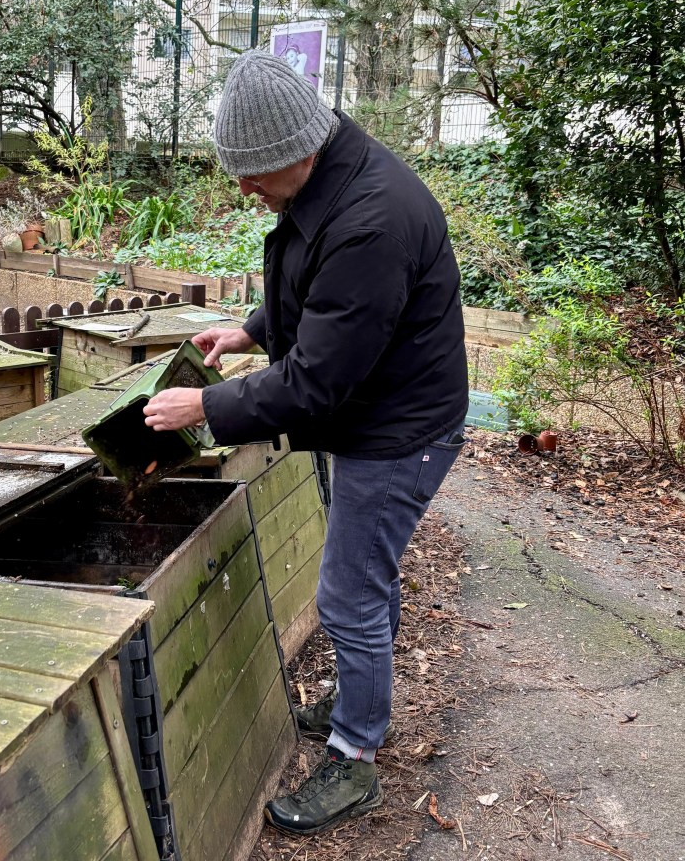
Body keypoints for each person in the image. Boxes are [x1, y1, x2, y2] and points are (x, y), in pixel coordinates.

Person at [143, 49, 468, 836]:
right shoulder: (330, 179)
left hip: (399, 432)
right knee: (366, 577)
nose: (244, 191)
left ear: (297, 149)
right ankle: (363, 699)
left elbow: (317, 380)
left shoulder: (371, 221)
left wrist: (206, 406)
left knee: (347, 594)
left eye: (252, 175)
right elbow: (319, 291)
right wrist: (253, 330)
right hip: (384, 412)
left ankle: (355, 758)